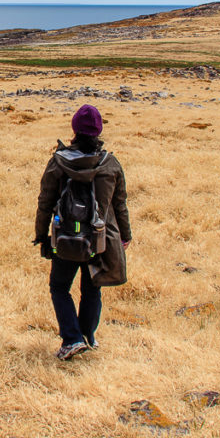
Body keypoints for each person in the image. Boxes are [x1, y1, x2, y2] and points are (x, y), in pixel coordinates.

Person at [33, 104, 132, 361]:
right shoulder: (110, 164)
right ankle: (86, 335)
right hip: (99, 238)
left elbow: (45, 201)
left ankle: (72, 338)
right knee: (92, 287)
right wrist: (125, 236)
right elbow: (119, 204)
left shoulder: (58, 161)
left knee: (59, 287)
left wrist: (41, 235)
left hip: (65, 237)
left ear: (74, 129)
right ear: (98, 131)